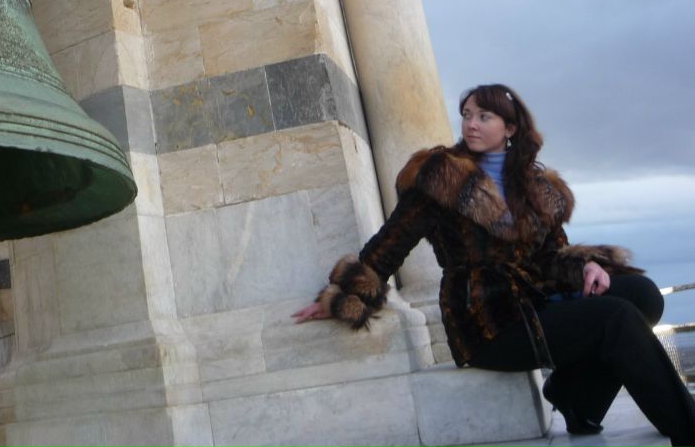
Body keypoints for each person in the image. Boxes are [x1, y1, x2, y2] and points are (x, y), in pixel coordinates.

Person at [293, 84, 695, 446]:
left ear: (510, 128)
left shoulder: (537, 187)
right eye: (467, 114)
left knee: (640, 295)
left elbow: (554, 253)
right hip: (486, 317)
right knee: (615, 318)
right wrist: (341, 296)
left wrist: (589, 266)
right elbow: (390, 244)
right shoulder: (442, 178)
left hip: (535, 300)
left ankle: (578, 400)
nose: (471, 124)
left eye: (484, 116)